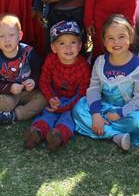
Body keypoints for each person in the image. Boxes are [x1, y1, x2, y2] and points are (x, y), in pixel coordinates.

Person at [73, 15, 139, 150]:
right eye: (110, 38)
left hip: (125, 112)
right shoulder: (100, 62)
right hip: (103, 107)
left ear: (131, 37)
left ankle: (103, 129)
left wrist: (120, 113)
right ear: (103, 41)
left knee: (136, 121)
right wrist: (96, 114)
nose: (116, 42)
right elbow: (94, 89)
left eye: (121, 37)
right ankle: (115, 135)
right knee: (79, 108)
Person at [23, 20, 91, 151]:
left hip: (73, 102)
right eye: (62, 43)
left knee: (68, 118)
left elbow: (83, 92)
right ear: (54, 47)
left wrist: (65, 107)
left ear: (80, 46)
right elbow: (44, 81)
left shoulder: (83, 67)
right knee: (47, 114)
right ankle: (36, 132)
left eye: (73, 42)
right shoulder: (51, 60)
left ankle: (58, 136)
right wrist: (50, 98)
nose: (68, 47)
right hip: (54, 98)